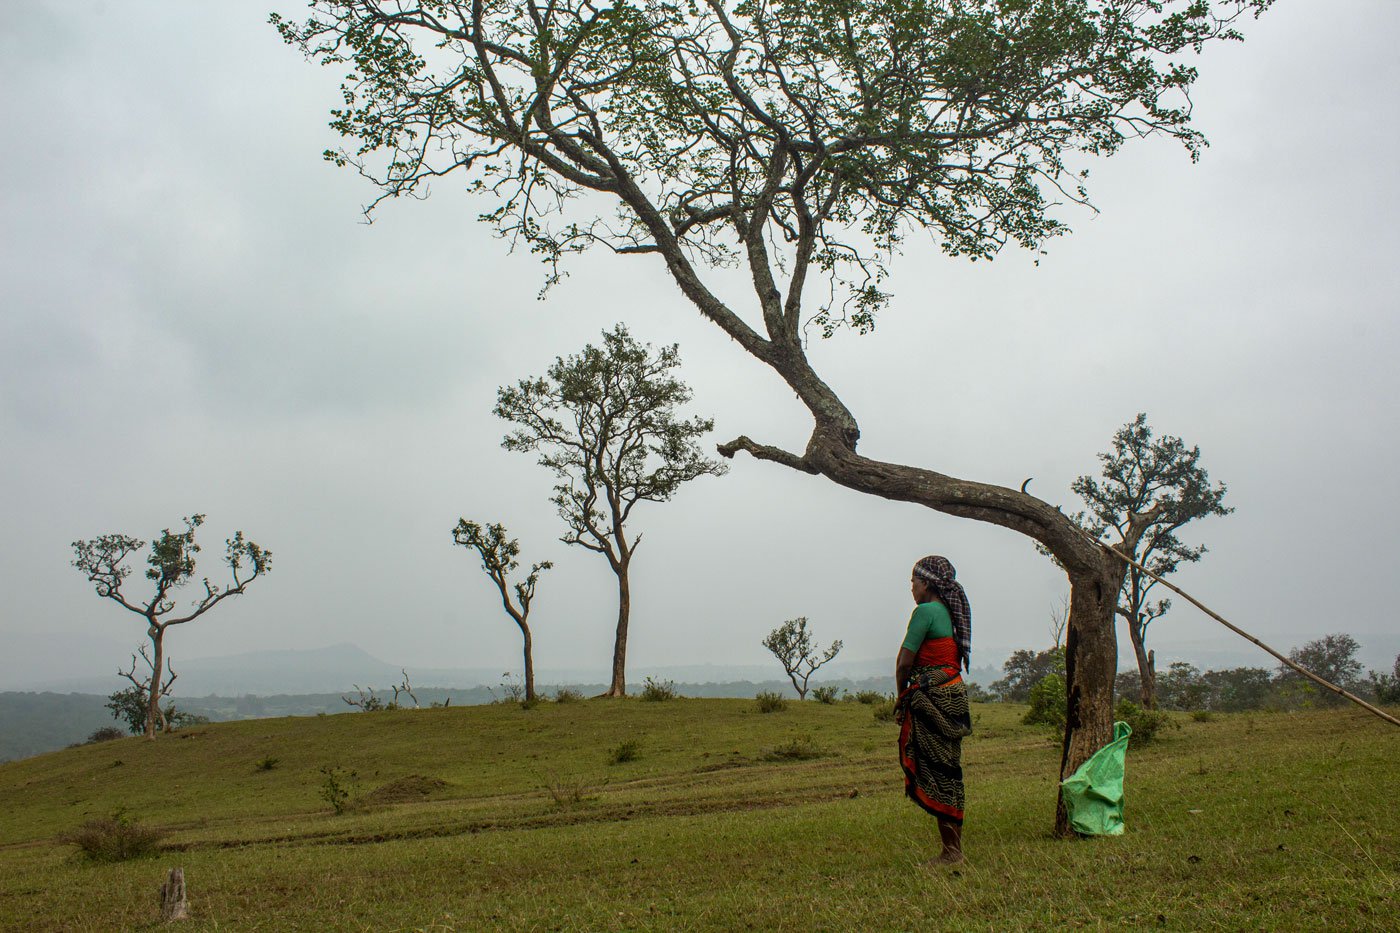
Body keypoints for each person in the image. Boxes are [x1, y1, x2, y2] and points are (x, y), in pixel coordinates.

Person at [895, 555, 973, 865]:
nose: (911, 588)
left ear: (926, 583)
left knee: (938, 772)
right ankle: (952, 848)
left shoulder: (925, 611)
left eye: (913, 582)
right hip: (953, 696)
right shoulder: (947, 612)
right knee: (949, 770)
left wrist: (902, 696)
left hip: (933, 702)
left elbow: (904, 661)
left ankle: (951, 852)